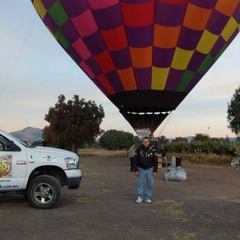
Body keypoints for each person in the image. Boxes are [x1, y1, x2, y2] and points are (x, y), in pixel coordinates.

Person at [133, 137, 158, 204]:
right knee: (140, 184)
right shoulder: (138, 150)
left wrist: (155, 170)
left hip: (150, 169)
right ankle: (139, 197)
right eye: (144, 141)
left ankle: (147, 198)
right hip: (141, 169)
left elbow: (155, 161)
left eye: (147, 141)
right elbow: (135, 160)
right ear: (142, 142)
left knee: (150, 184)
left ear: (149, 142)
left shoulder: (153, 150)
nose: (145, 142)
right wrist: (135, 169)